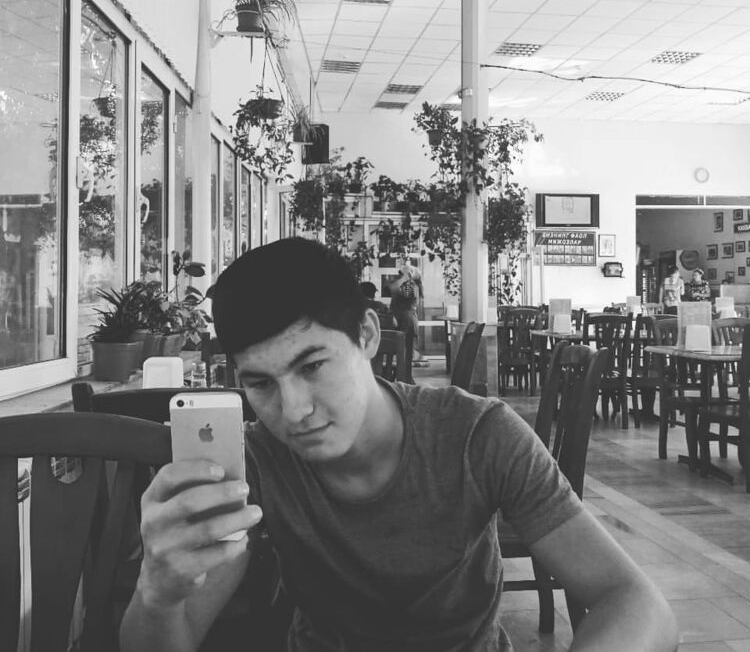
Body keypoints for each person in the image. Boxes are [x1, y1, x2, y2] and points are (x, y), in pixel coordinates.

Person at [120, 238, 678, 652]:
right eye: (260, 384)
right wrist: (158, 595)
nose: (293, 412)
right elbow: (172, 636)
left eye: (312, 366)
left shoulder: (477, 435)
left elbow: (637, 604)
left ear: (366, 335)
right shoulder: (255, 464)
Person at [387, 262, 426, 369]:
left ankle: (404, 375)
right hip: (405, 318)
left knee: (404, 350)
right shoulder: (410, 285)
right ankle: (405, 374)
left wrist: (405, 277)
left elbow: (392, 289)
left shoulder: (409, 285)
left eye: (401, 273)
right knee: (405, 349)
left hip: (405, 319)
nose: (399, 275)